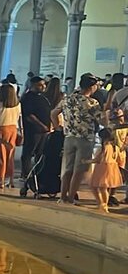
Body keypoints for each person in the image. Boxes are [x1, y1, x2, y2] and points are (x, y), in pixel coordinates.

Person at [52, 76, 105, 204]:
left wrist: (57, 126)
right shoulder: (92, 102)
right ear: (92, 87)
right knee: (80, 169)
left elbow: (53, 113)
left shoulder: (67, 99)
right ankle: (71, 197)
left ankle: (62, 196)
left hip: (69, 137)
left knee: (68, 168)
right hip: (85, 139)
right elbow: (101, 120)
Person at [20, 75, 53, 180]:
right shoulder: (28, 98)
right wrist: (41, 125)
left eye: (44, 85)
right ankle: (26, 175)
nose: (43, 87)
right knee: (28, 153)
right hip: (33, 130)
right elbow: (29, 115)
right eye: (40, 85)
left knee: (40, 153)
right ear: (33, 85)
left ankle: (38, 174)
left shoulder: (42, 97)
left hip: (44, 131)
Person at [0, 84, 21, 188]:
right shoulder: (18, 104)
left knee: (0, 156)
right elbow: (19, 119)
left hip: (1, 130)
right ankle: (11, 180)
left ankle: (1, 180)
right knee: (10, 156)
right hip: (13, 129)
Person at [88, 128, 124, 213]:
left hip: (102, 168)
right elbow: (120, 159)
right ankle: (103, 204)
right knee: (104, 188)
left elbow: (97, 159)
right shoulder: (115, 147)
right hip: (111, 168)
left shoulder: (103, 147)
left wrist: (86, 161)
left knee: (97, 187)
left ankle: (102, 204)